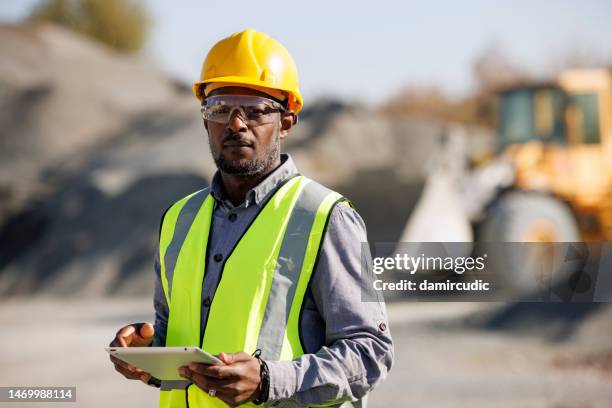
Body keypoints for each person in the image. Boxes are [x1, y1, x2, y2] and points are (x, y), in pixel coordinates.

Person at [109, 29, 393, 408]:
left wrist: (268, 381)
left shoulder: (327, 218)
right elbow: (176, 336)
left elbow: (370, 352)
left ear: (287, 121)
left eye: (256, 110)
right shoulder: (179, 219)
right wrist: (148, 352)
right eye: (221, 108)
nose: (236, 124)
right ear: (204, 119)